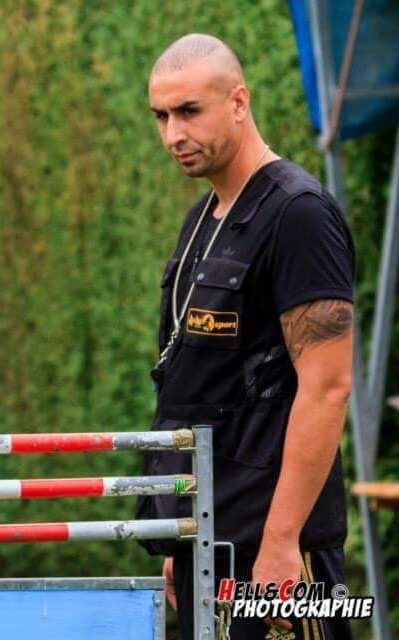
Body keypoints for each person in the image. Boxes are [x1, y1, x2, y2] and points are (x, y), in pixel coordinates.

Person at [135, 34, 355, 640]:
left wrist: (283, 544)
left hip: (276, 552)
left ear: (238, 102)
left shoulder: (299, 214)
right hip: (207, 539)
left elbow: (328, 387)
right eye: (161, 116)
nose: (173, 134)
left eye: (189, 111)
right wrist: (177, 533)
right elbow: (189, 387)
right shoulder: (204, 217)